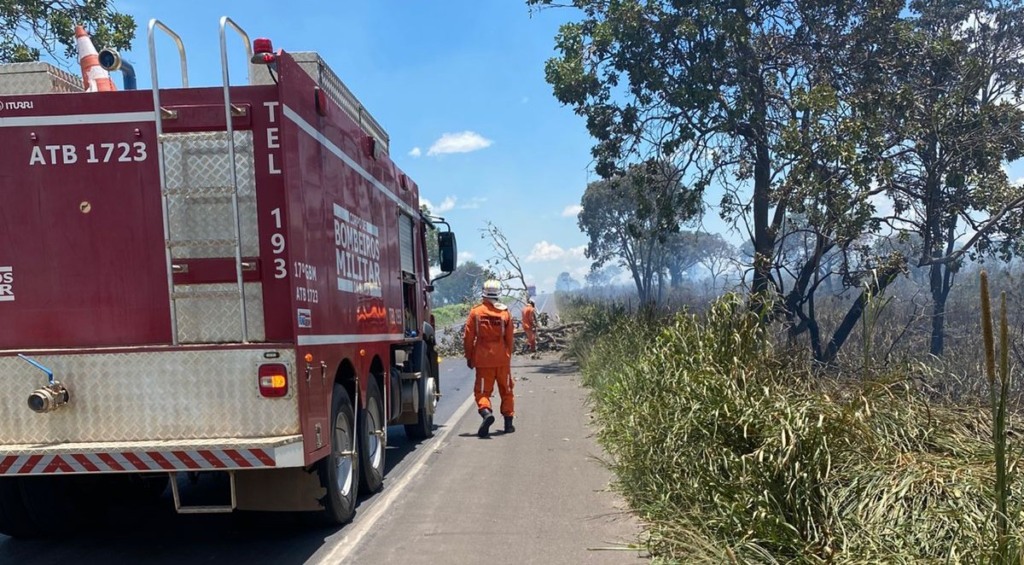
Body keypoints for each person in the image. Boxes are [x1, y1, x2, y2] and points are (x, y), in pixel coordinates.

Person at [463, 279, 515, 437]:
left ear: (483, 293)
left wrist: (469, 357)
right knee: (507, 390)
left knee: (482, 392)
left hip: (483, 360)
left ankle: (486, 413)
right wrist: (507, 356)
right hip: (502, 359)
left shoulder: (476, 312)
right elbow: (510, 339)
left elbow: (468, 337)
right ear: (498, 293)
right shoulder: (505, 313)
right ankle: (508, 424)